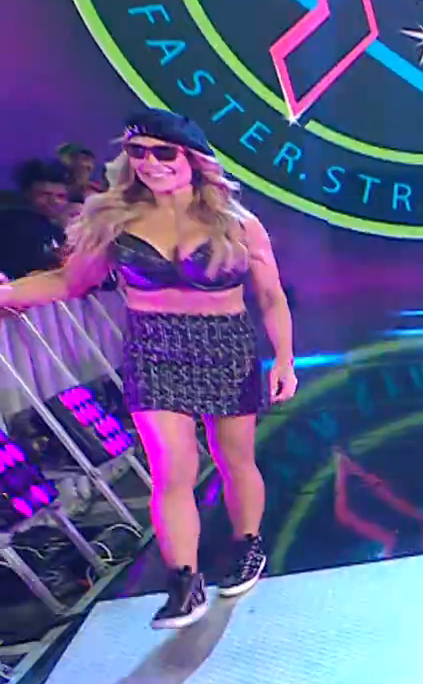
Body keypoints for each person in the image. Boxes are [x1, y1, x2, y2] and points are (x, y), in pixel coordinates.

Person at [0, 109, 296, 628]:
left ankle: (247, 546)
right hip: (153, 351)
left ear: (193, 158)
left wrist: (285, 359)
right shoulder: (114, 222)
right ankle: (184, 581)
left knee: (234, 460)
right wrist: (9, 294)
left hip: (226, 347)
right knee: (171, 469)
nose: (150, 163)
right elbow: (68, 282)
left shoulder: (238, 223)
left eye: (164, 152)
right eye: (138, 152)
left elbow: (270, 297)